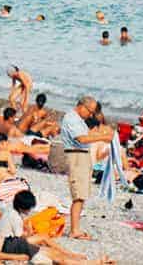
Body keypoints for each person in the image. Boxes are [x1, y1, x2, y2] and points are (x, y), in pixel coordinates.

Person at [59, 95, 113, 240]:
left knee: (81, 194)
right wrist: (102, 138)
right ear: (82, 106)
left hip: (81, 155)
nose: (90, 115)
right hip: (76, 156)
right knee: (79, 195)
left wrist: (101, 134)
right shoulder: (71, 118)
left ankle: (76, 228)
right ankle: (74, 230)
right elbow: (81, 138)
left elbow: (86, 135)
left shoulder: (78, 120)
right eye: (90, 111)